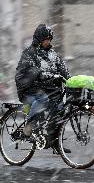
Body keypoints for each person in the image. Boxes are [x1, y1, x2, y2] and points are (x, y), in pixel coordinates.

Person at [15, 24, 71, 152]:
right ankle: (28, 127)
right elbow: (29, 72)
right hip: (29, 89)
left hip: (48, 89)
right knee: (43, 99)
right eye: (46, 39)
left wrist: (70, 80)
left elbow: (63, 69)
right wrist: (41, 74)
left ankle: (55, 142)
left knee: (59, 110)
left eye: (50, 39)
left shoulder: (53, 54)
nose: (48, 41)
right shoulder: (29, 53)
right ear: (39, 39)